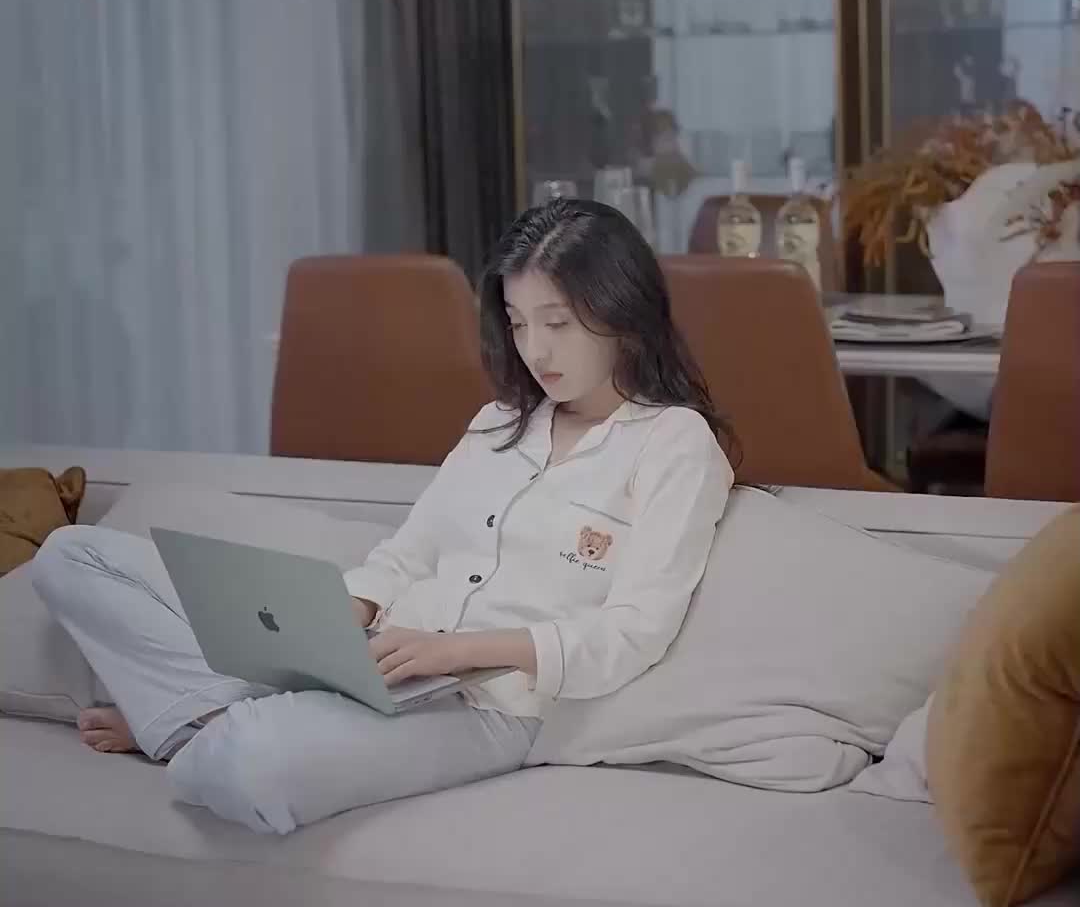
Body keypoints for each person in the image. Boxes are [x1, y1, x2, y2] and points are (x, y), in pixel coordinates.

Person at [32, 200, 737, 835]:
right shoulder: (499, 423)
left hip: (488, 705)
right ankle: (210, 715)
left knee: (253, 762)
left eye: (556, 322)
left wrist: (457, 651)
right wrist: (337, 614)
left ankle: (197, 723)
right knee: (72, 556)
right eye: (519, 323)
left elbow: (633, 633)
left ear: (621, 311)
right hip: (379, 655)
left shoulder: (674, 443)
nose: (536, 350)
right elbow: (407, 556)